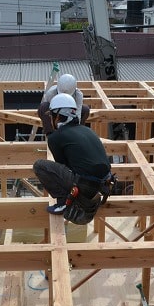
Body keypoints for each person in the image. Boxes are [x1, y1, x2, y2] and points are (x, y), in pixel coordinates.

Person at [32, 94, 113, 224]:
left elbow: (63, 167)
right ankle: (85, 196)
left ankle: (64, 202)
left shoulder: (55, 137)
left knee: (39, 166)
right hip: (105, 184)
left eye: (51, 116)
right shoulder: (87, 130)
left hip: (86, 185)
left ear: (57, 117)